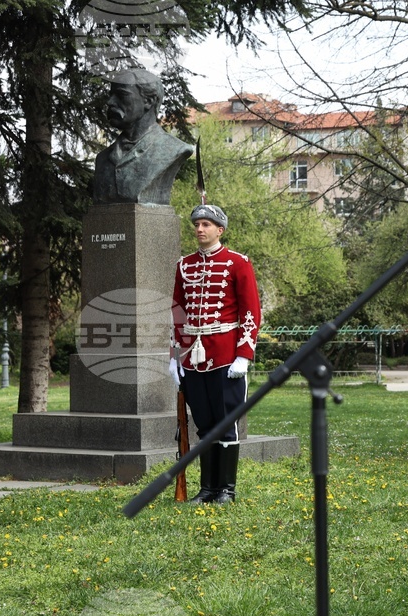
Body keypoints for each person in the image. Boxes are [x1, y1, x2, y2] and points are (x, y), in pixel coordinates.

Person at [169, 204, 261, 504]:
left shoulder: (238, 263)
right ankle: (207, 488)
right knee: (203, 423)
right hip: (193, 360)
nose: (200, 229)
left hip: (226, 356)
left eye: (207, 224)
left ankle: (227, 490)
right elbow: (178, 313)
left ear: (219, 230)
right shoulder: (184, 266)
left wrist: (244, 354)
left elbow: (251, 312)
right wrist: (175, 356)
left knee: (226, 422)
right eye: (197, 224)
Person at [94, 69, 193, 206]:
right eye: (111, 95)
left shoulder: (174, 150)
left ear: (148, 101)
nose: (110, 102)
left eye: (121, 95)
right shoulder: (103, 159)